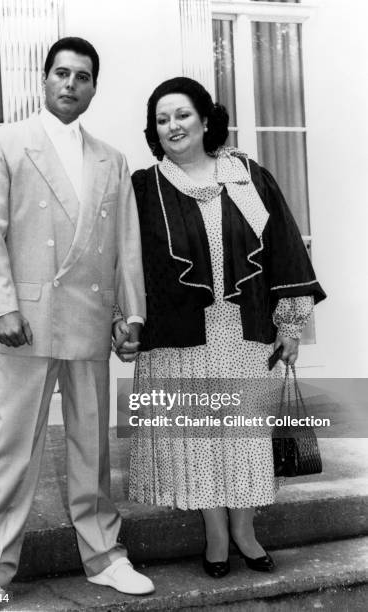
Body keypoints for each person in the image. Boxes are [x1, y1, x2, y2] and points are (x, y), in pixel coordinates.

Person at [0, 37, 154, 610]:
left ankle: (104, 557)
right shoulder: (5, 143)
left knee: (91, 447)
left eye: (83, 77)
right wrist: (1, 307)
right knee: (13, 446)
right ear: (44, 80)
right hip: (26, 318)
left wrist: (133, 314)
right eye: (62, 74)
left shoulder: (111, 158)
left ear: (94, 87)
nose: (71, 85)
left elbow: (126, 245)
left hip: (92, 319)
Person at [116, 77, 326, 578]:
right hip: (179, 337)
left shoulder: (246, 177)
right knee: (198, 436)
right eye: (162, 119)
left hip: (243, 332)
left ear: (206, 119)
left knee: (244, 434)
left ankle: (245, 532)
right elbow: (124, 263)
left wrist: (291, 322)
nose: (173, 126)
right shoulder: (146, 188)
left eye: (182, 114)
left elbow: (284, 248)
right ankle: (215, 534)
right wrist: (123, 321)